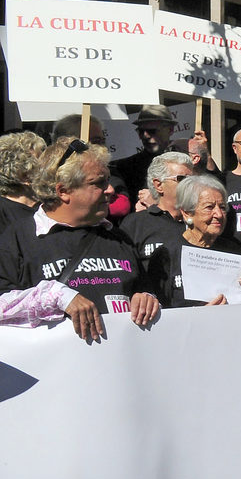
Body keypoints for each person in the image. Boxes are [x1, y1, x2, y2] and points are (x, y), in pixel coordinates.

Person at [0, 138, 158, 341]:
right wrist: (57, 296)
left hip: (122, 363)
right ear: (63, 191)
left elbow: (143, 290)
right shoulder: (17, 238)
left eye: (108, 180)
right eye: (98, 183)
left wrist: (147, 299)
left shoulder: (118, 237)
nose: (110, 190)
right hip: (54, 368)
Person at [148, 174, 241, 308]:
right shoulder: (167, 255)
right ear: (187, 213)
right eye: (209, 207)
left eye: (223, 207)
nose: (219, 214)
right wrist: (201, 315)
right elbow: (160, 311)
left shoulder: (236, 252)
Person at [119, 152, 193, 267]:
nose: (190, 185)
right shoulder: (136, 224)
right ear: (158, 185)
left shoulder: (202, 221)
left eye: (192, 180)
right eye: (181, 179)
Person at [110, 104, 177, 205]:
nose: (145, 136)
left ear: (170, 130)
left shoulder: (184, 162)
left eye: (152, 131)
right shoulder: (126, 167)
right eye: (141, 132)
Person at [0, 131, 44, 234]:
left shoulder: (49, 206)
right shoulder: (4, 214)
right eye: (42, 165)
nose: (49, 169)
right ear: (25, 177)